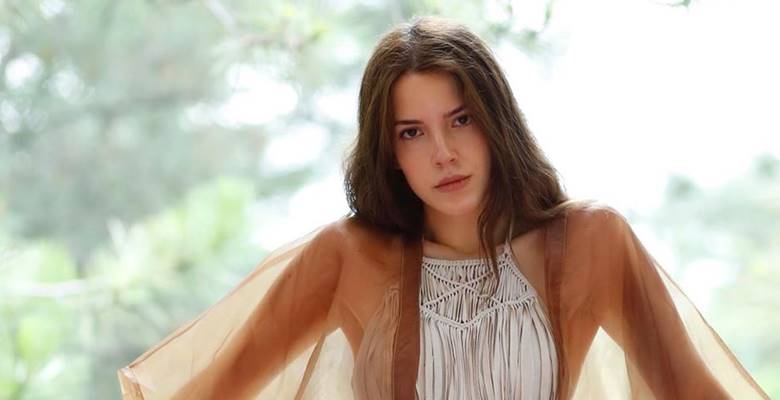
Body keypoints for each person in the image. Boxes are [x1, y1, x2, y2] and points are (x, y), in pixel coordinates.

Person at [117, 16, 769, 400]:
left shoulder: (593, 243)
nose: (443, 153)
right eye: (412, 132)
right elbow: (208, 390)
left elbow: (698, 393)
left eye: (461, 119)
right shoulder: (347, 257)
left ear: (496, 119)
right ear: (390, 152)